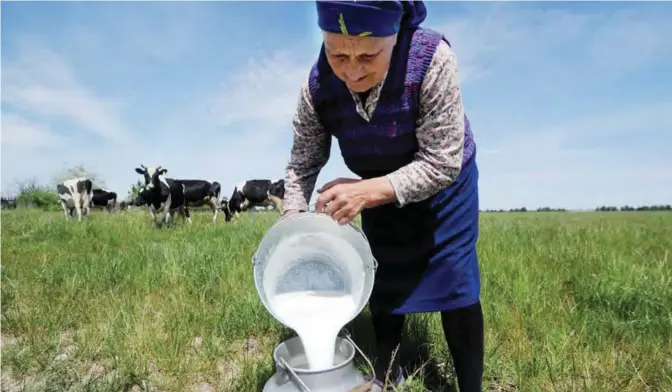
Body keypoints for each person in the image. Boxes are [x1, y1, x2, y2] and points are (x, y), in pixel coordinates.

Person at [282, 1, 484, 391]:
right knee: (383, 279)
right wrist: (293, 221)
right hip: (372, 187)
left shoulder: (431, 60)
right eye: (338, 54)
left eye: (368, 55)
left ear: (394, 38)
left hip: (444, 188)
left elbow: (443, 161)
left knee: (456, 286)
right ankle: (387, 373)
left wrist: (366, 190)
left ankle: (471, 385)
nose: (352, 70)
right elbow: (302, 163)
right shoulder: (318, 87)